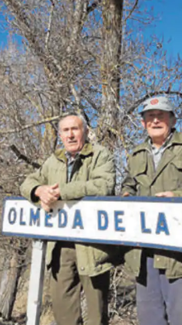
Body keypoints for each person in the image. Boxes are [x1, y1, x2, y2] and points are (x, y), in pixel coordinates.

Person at [121, 96, 182, 325]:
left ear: (172, 119)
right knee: (149, 320)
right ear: (142, 123)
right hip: (144, 254)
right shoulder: (136, 154)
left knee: (180, 320)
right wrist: (126, 196)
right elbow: (128, 185)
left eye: (161, 115)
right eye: (150, 117)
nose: (155, 121)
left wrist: (178, 196)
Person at [20, 112, 118, 325]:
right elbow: (27, 183)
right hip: (60, 248)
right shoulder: (53, 161)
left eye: (75, 129)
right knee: (64, 314)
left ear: (85, 131)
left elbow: (103, 186)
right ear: (60, 135)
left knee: (96, 317)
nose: (71, 135)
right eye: (65, 130)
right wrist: (39, 190)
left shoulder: (101, 155)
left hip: (93, 247)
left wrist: (61, 191)